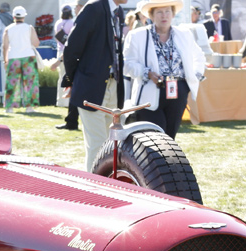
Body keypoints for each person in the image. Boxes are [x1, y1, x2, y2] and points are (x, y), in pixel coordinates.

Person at [62, 0, 129, 171]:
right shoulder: (93, 8)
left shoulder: (118, 12)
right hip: (91, 86)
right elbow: (71, 48)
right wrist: (72, 80)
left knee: (111, 144)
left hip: (114, 85)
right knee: (98, 145)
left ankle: (108, 186)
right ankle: (96, 189)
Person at [124, 0, 205, 139]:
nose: (164, 16)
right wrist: (147, 73)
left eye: (167, 11)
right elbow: (127, 64)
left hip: (178, 91)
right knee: (155, 137)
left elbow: (199, 57)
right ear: (151, 15)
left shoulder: (184, 34)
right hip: (149, 91)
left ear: (173, 14)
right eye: (159, 12)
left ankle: (167, 161)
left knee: (170, 136)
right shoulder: (137, 36)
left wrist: (193, 78)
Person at [2, 6, 40, 113]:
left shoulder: (8, 29)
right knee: (30, 82)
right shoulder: (29, 28)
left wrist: (5, 60)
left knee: (12, 82)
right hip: (28, 56)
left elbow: (5, 46)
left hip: (13, 56)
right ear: (24, 16)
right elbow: (36, 43)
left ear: (13, 16)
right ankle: (29, 107)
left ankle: (9, 107)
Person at [54, 6, 81, 130]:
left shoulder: (58, 23)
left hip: (62, 53)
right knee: (69, 82)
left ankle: (62, 103)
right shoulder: (72, 22)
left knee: (63, 80)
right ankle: (70, 117)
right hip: (68, 55)